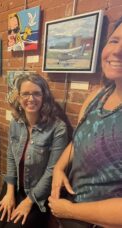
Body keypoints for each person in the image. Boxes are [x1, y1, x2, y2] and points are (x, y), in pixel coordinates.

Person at [49, 17, 122, 228]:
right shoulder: (96, 96)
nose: (117, 51)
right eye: (115, 41)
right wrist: (59, 169)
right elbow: (77, 141)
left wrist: (69, 210)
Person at [0, 74, 68, 228]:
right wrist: (9, 192)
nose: (31, 98)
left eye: (36, 93)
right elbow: (11, 157)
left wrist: (28, 202)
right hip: (15, 186)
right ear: (19, 98)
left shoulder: (58, 128)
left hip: (37, 195)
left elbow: (52, 171)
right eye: (26, 93)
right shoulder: (16, 122)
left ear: (44, 95)